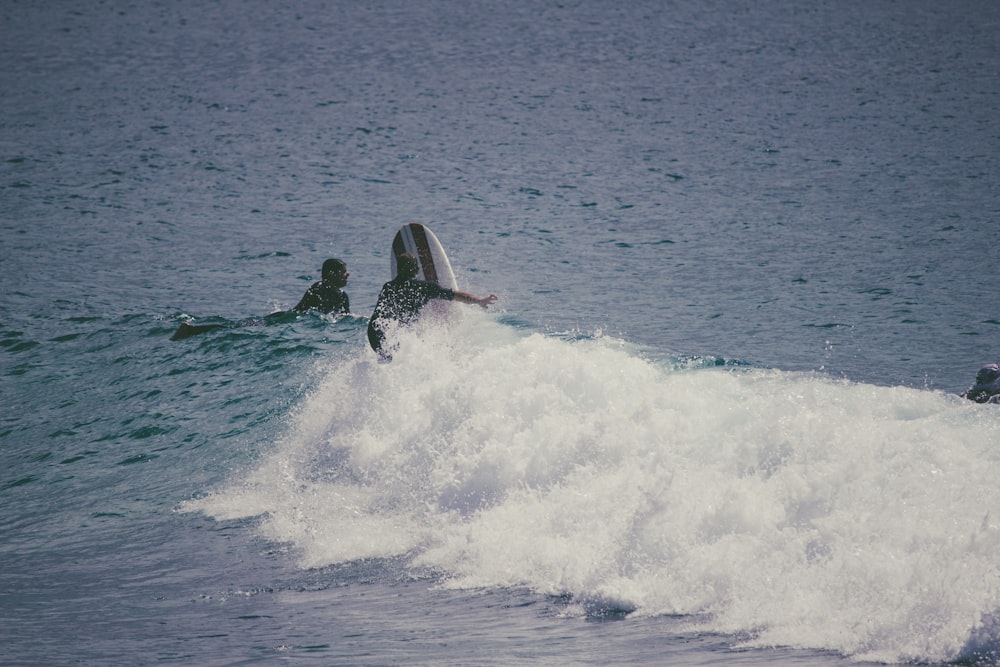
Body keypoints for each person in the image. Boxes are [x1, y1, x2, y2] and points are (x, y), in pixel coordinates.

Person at [367, 253, 497, 359]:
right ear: (416, 270)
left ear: (398, 269)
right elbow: (456, 295)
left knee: (387, 360)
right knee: (399, 360)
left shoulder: (388, 287)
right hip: (393, 334)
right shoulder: (424, 288)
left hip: (374, 333)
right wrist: (479, 300)